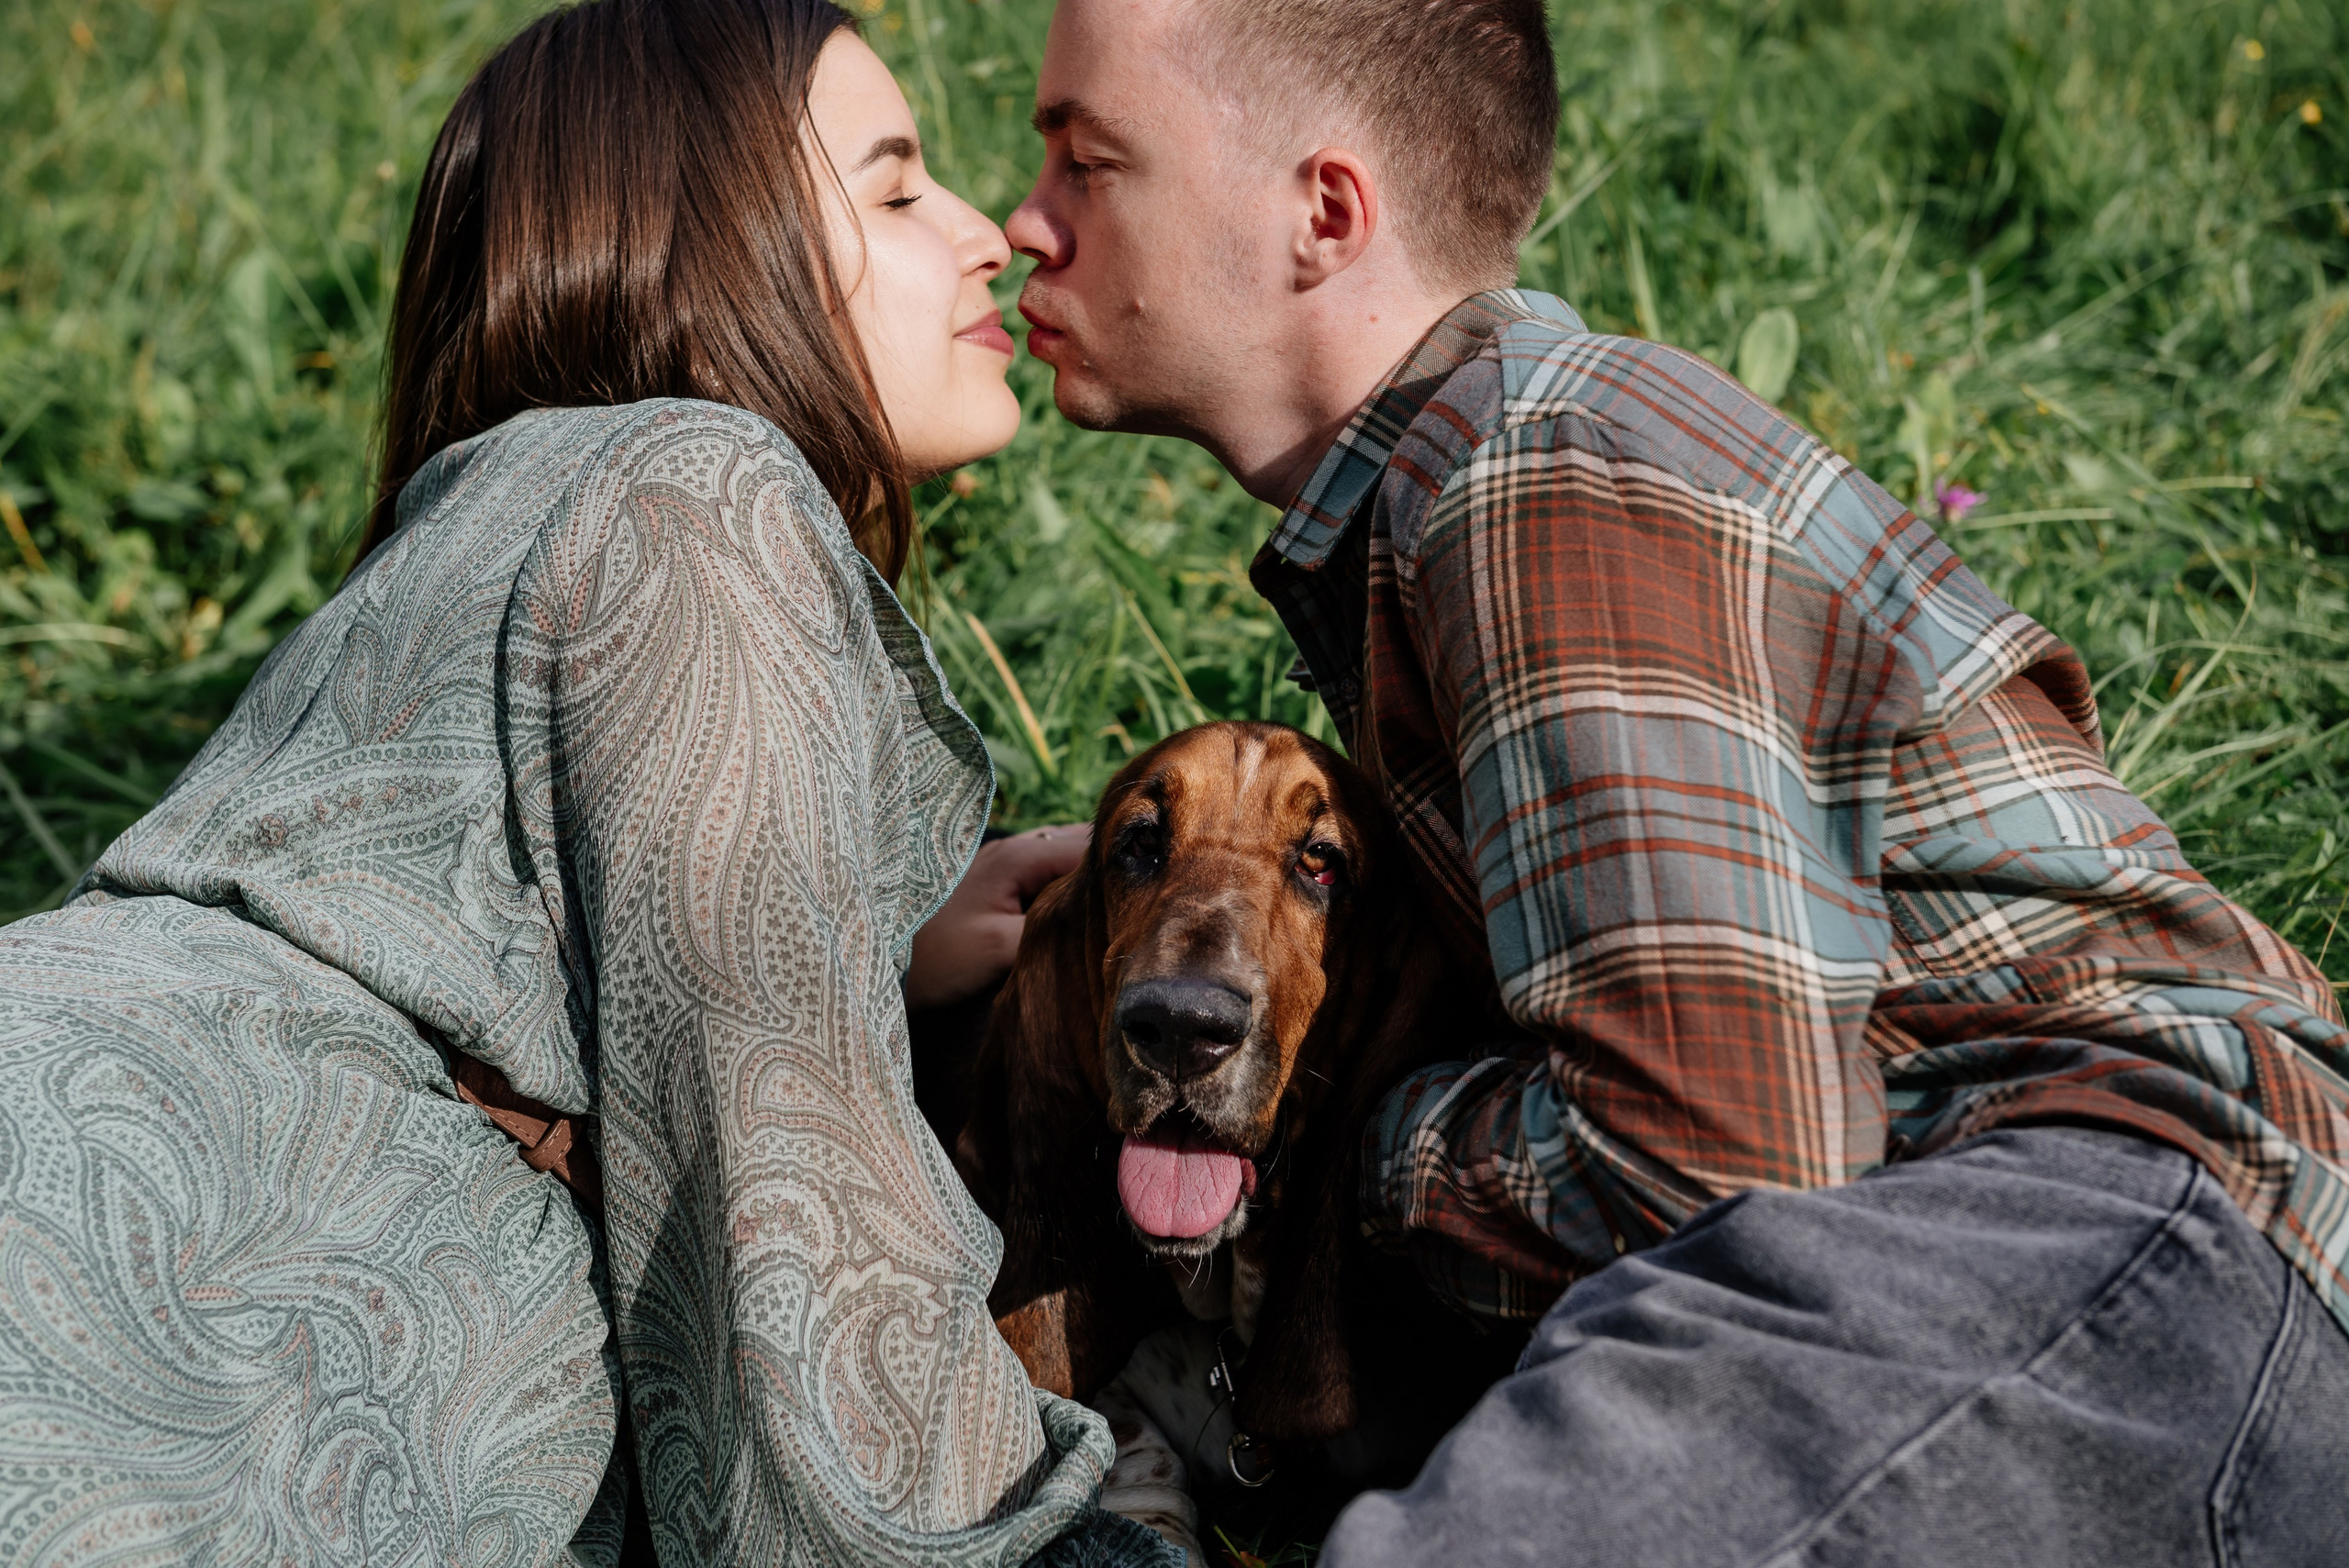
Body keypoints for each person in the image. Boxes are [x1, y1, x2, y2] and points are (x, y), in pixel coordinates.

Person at [1002, 1, 2349, 1562]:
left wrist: (1333, 1129)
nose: (1026, 220)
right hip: (2057, 1260)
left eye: (1089, 160)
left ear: (1324, 214)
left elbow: (1710, 1165)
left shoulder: (1535, 477)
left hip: (2124, 1220)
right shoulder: (1460, 510)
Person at [0, 3, 1173, 1565]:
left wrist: (850, 940)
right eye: (896, 192)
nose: (987, 237)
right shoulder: (701, 484)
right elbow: (812, 1314)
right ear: (706, 263)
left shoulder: (489, 538)